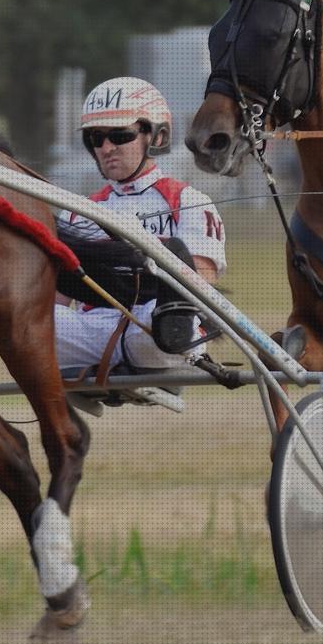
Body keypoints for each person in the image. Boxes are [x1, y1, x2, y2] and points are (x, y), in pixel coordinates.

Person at [55, 77, 226, 411]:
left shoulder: (189, 200)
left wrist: (146, 247)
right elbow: (57, 300)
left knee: (161, 318)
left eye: (120, 135)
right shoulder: (76, 213)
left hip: (156, 324)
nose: (106, 147)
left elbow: (201, 283)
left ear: (157, 136)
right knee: (15, 315)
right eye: (96, 138)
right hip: (93, 331)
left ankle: (158, 356)